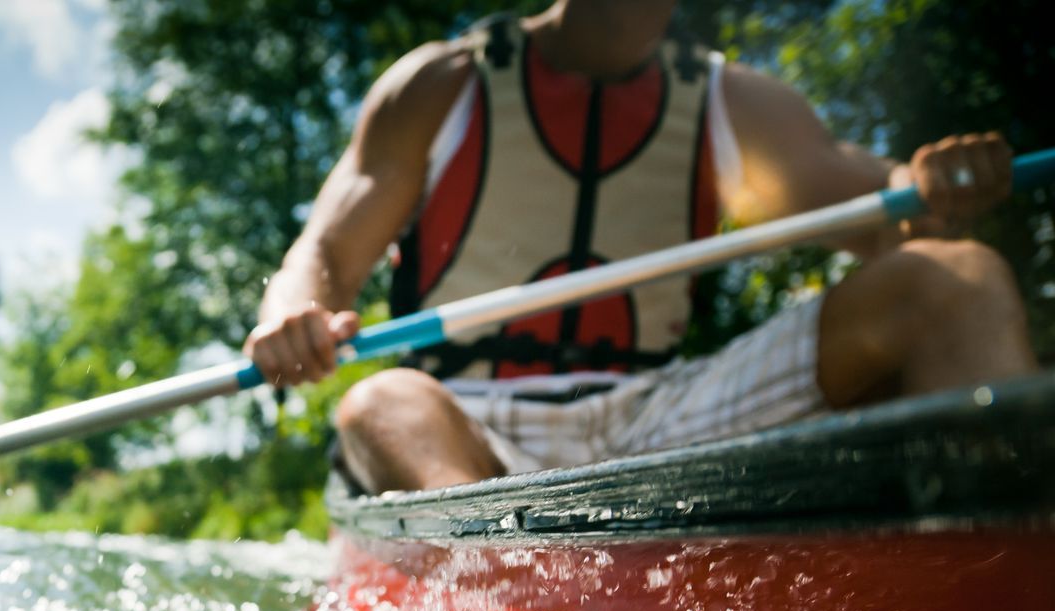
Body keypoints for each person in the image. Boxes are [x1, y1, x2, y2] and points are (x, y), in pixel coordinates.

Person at [243, 0, 1037, 494]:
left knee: (954, 279)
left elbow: (888, 216)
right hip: (469, 420)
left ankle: (1010, 571)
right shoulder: (439, 87)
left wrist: (932, 186)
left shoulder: (733, 102)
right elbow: (327, 256)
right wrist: (292, 314)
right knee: (380, 402)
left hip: (662, 414)